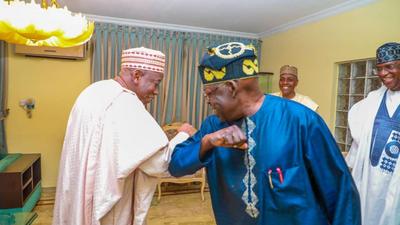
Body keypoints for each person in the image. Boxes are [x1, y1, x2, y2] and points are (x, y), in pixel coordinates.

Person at [168, 41, 361, 225]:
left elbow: (341, 193)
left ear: (232, 88)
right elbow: (176, 165)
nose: (208, 101)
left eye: (210, 93)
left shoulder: (301, 120)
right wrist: (208, 142)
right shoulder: (213, 126)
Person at [52, 47, 195, 225]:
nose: (156, 91)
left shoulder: (93, 90)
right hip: (107, 208)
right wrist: (183, 134)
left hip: (77, 193)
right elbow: (159, 163)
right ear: (136, 75)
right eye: (155, 83)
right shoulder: (126, 102)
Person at [346, 42, 400, 225]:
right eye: (380, 68)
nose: (383, 73)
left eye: (389, 67)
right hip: (369, 179)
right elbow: (357, 144)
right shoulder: (372, 101)